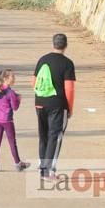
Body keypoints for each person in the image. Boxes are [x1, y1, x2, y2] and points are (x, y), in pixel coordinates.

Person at [32, 33, 76, 180]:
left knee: (43, 135)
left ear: (53, 44)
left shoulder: (42, 60)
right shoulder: (67, 63)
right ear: (66, 45)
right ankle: (48, 171)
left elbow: (34, 82)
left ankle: (42, 165)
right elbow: (69, 88)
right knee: (55, 137)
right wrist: (69, 108)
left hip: (40, 102)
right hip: (57, 104)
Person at [0, 69, 30, 173]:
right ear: (6, 79)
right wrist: (19, 99)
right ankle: (18, 164)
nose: (14, 79)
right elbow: (15, 107)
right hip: (7, 121)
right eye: (12, 77)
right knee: (12, 143)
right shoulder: (10, 92)